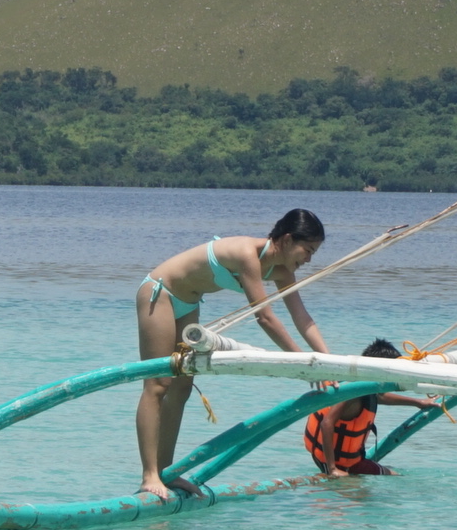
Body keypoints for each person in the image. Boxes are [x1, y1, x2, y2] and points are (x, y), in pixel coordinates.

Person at [135, 208, 331, 500]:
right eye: (308, 250)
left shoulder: (282, 272)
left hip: (188, 303)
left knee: (183, 387)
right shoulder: (246, 254)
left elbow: (303, 318)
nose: (309, 259)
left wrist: (326, 362)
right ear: (288, 239)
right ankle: (149, 475)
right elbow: (265, 318)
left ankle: (167, 474)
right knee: (159, 384)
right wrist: (303, 363)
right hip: (160, 293)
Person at [303, 338, 445, 476]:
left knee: (390, 475)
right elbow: (327, 423)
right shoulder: (353, 392)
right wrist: (332, 469)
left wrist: (417, 402)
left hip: (344, 460)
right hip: (340, 464)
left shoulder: (363, 386)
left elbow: (379, 397)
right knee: (395, 477)